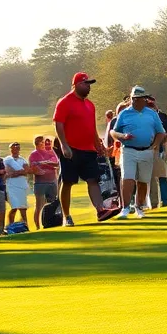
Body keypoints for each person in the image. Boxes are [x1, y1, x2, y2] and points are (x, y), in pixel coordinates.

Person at [53, 72, 113, 225]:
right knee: (68, 182)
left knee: (93, 180)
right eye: (86, 84)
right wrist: (64, 145)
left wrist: (98, 145)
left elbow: (91, 128)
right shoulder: (65, 102)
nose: (89, 87)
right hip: (71, 149)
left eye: (89, 84)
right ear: (77, 84)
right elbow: (58, 124)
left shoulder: (90, 105)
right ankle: (66, 217)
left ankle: (100, 210)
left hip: (88, 149)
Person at [112, 87, 167, 219]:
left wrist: (155, 145)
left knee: (143, 181)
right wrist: (123, 136)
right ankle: (125, 208)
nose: (135, 101)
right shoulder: (124, 113)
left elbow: (161, 132)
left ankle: (139, 207)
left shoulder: (152, 114)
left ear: (144, 99)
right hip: (128, 150)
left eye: (138, 98)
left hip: (146, 150)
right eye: (133, 98)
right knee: (127, 178)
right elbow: (113, 132)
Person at [28, 136, 60, 228]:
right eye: (42, 142)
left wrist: (44, 163)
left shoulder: (51, 152)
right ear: (37, 143)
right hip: (40, 183)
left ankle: (51, 222)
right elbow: (32, 167)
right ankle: (38, 226)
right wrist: (39, 168)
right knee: (39, 205)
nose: (44, 144)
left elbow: (56, 164)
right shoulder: (33, 154)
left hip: (52, 181)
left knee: (53, 203)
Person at [3, 142, 31, 226]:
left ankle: (25, 225)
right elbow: (8, 171)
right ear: (10, 149)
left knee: (23, 208)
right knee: (14, 207)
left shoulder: (22, 160)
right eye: (14, 148)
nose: (16, 149)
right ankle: (10, 226)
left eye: (17, 148)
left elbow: (26, 171)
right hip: (11, 186)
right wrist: (20, 172)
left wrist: (15, 173)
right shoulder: (7, 160)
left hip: (21, 186)